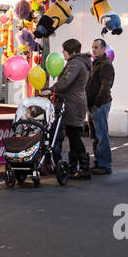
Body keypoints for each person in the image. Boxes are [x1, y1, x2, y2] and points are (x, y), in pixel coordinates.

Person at [51, 38, 92, 179]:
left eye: (64, 50)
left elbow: (65, 82)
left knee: (75, 137)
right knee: (73, 135)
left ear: (71, 51)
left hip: (72, 104)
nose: (62, 53)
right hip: (74, 102)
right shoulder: (79, 62)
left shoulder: (75, 63)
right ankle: (74, 167)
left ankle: (84, 169)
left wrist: (51, 89)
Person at [84, 38, 115, 175]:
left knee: (102, 135)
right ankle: (99, 162)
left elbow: (105, 86)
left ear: (103, 49)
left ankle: (105, 165)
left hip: (100, 104)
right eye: (93, 47)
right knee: (96, 136)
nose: (94, 50)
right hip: (92, 104)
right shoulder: (95, 63)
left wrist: (96, 103)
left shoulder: (105, 65)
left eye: (97, 47)